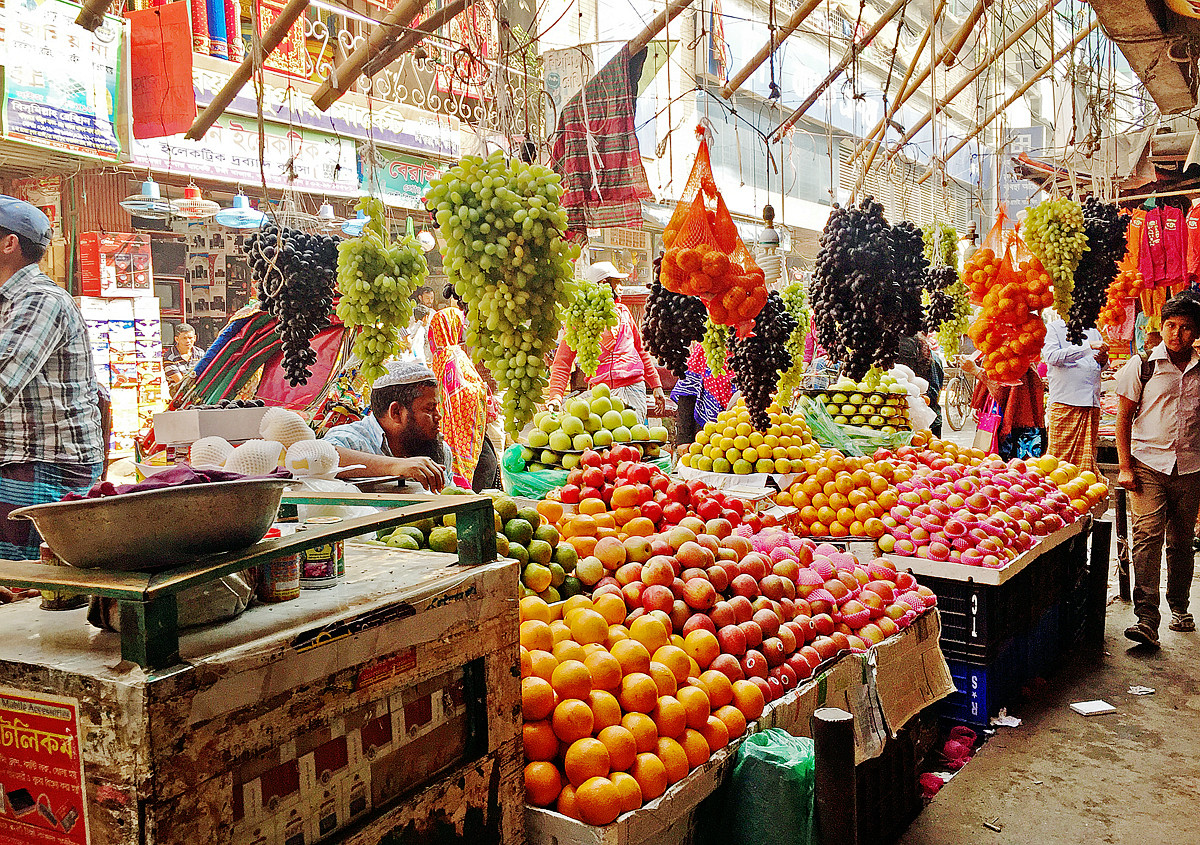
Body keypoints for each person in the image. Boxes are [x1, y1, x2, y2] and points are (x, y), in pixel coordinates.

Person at [0, 196, 106, 575]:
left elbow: (2, 380)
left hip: (43, 464)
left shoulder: (38, 300)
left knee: (26, 585)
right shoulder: (10, 303)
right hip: (22, 461)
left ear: (9, 243)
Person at [1114, 292, 1200, 647]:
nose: (1176, 333)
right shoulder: (1143, 364)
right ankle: (1147, 618)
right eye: (1170, 325)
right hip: (1148, 464)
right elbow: (1123, 418)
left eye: (1184, 328)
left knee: (1181, 542)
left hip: (1191, 467)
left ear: (1195, 333)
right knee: (1147, 537)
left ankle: (1179, 606)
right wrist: (1124, 466)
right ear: (1162, 326)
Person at [547, 262, 666, 420]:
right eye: (617, 283)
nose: (621, 287)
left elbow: (640, 351)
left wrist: (656, 385)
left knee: (632, 439)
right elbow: (562, 362)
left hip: (633, 388)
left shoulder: (623, 313)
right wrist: (555, 396)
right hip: (600, 393)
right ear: (604, 284)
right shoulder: (579, 321)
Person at [323, 360, 454, 492]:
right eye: (429, 409)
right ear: (396, 412)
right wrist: (396, 466)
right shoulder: (352, 440)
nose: (438, 417)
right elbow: (319, 457)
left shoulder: (440, 450)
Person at [428, 307, 500, 491]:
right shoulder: (454, 355)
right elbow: (466, 392)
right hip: (466, 429)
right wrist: (484, 390)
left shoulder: (439, 357)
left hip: (452, 430)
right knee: (486, 466)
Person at [1042, 313, 1106, 475]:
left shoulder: (1093, 330)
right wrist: (1088, 347)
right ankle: (1055, 496)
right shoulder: (1054, 329)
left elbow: (1101, 366)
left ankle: (1083, 493)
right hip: (1065, 402)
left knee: (1086, 463)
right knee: (1057, 461)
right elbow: (1051, 356)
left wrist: (1103, 359)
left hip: (1091, 403)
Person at [895, 333, 943, 436]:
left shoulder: (933, 361)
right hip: (906, 423)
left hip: (926, 424)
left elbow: (933, 395)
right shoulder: (933, 359)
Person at [165, 323, 206, 395]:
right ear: (177, 339)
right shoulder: (169, 357)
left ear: (195, 338)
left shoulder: (201, 353)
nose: (188, 341)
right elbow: (181, 382)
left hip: (199, 391)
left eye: (190, 338)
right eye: (184, 338)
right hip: (178, 395)